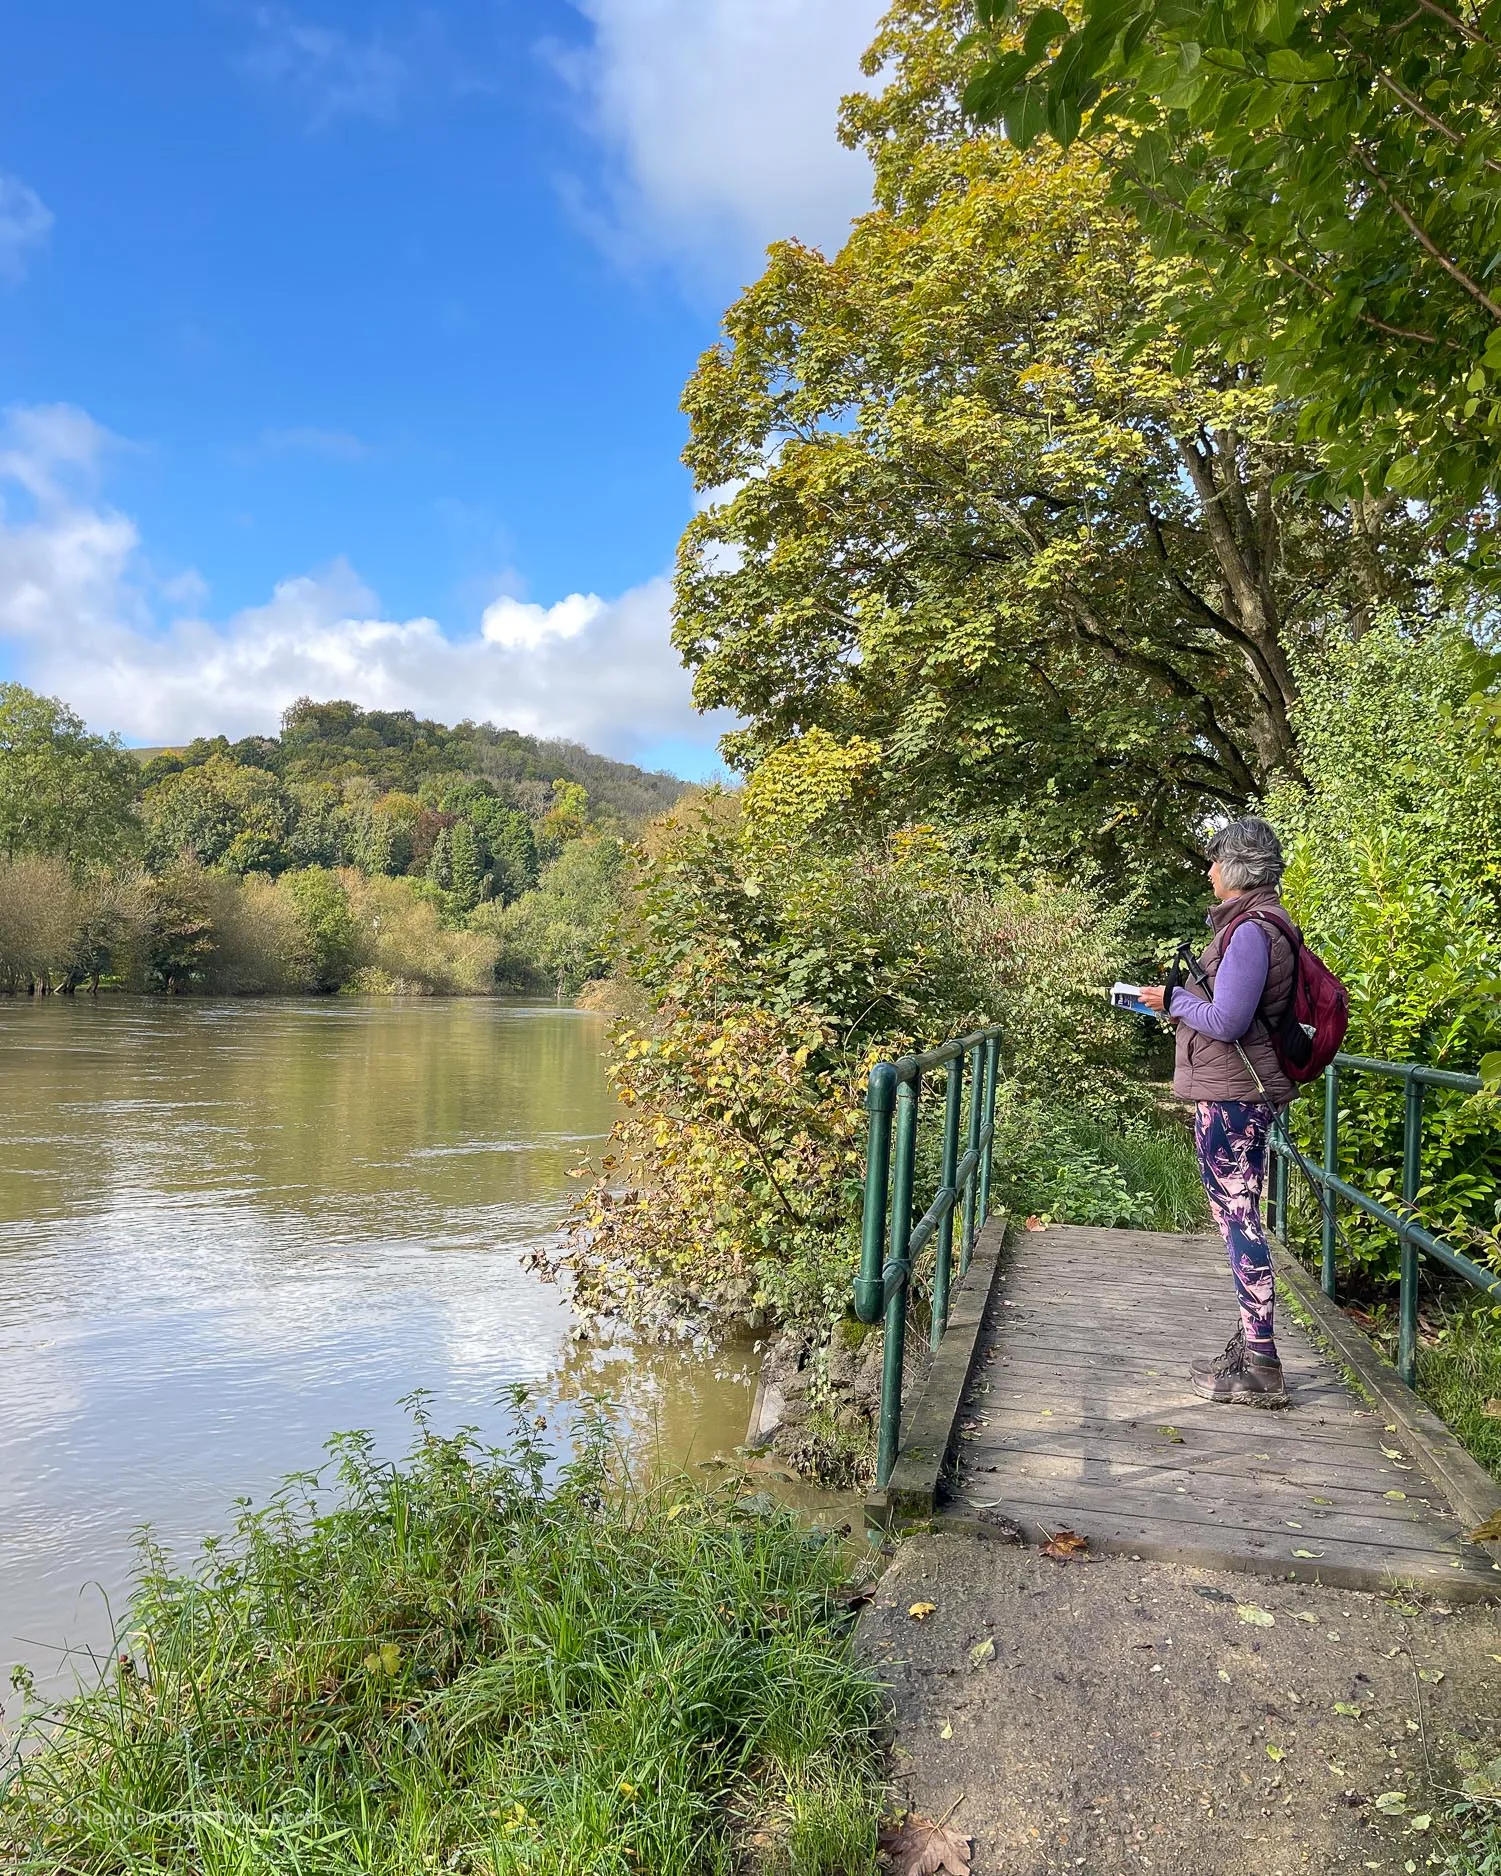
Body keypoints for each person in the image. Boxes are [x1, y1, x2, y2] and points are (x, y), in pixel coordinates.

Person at [1137, 817, 1297, 1407]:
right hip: (1236, 1092)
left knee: (1239, 1218)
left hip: (1235, 1096)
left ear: (1236, 870)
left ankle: (1261, 1361)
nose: (1207, 871)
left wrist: (1174, 999)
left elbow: (1228, 1022)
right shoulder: (1256, 925)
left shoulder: (1252, 931)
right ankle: (1254, 1347)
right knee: (1238, 1214)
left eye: (1213, 861)